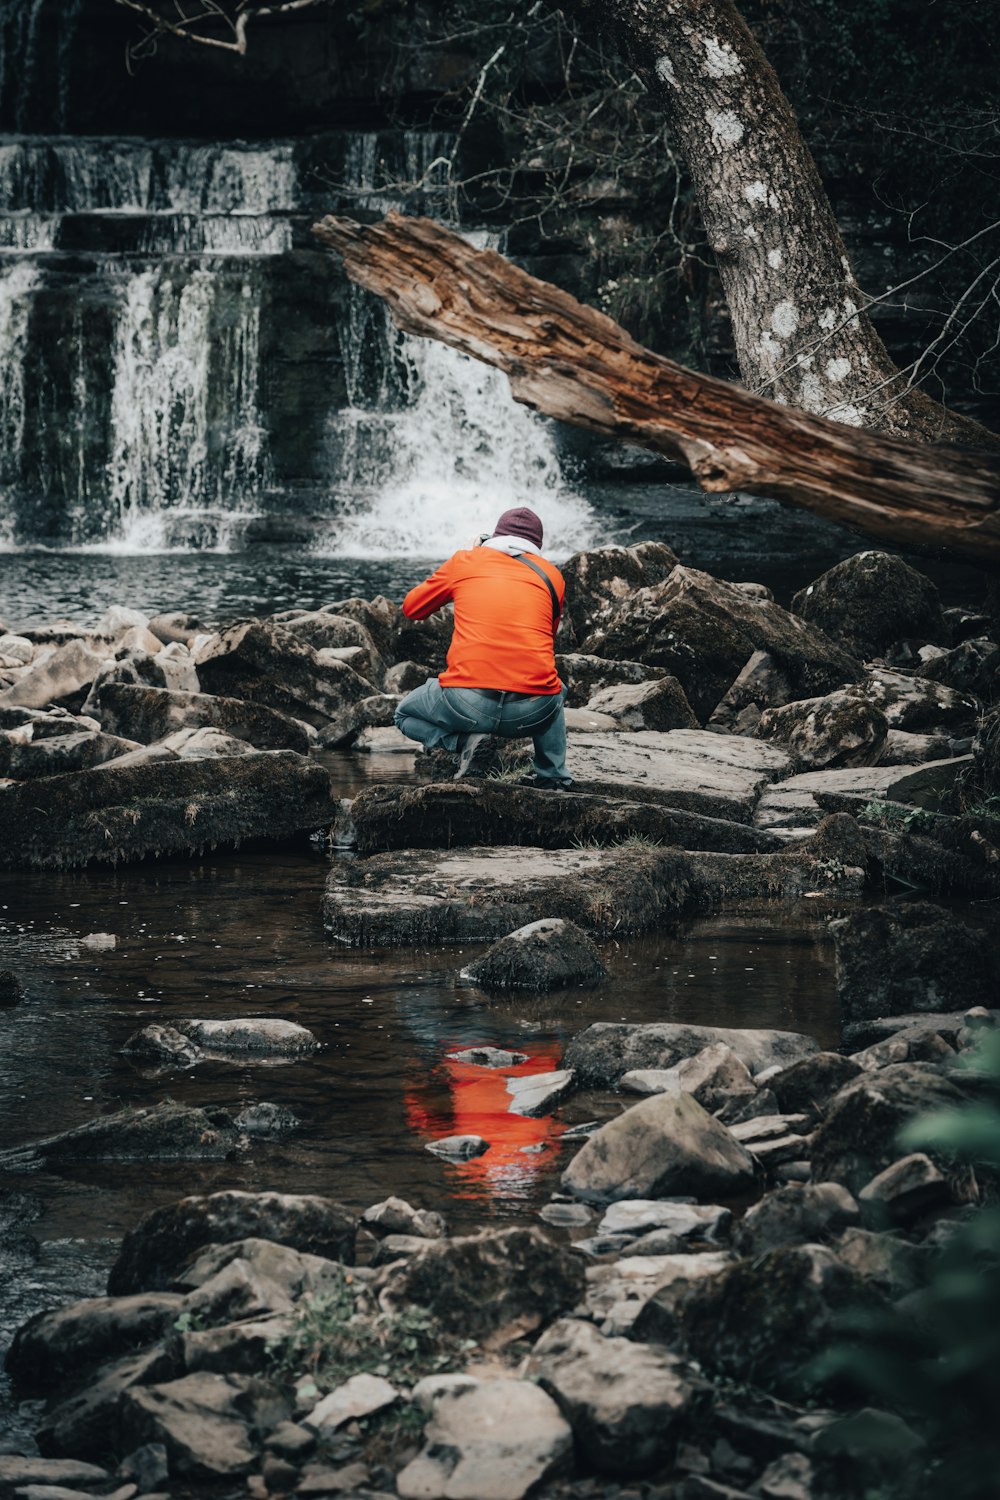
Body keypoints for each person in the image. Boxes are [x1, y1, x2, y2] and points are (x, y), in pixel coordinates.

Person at [393, 506, 573, 788]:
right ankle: (554, 777)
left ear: (495, 537)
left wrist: (466, 555)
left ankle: (465, 741)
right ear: (536, 546)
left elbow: (412, 608)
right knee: (554, 686)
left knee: (403, 714)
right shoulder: (553, 576)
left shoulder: (466, 561)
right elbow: (546, 640)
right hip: (531, 713)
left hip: (466, 705)